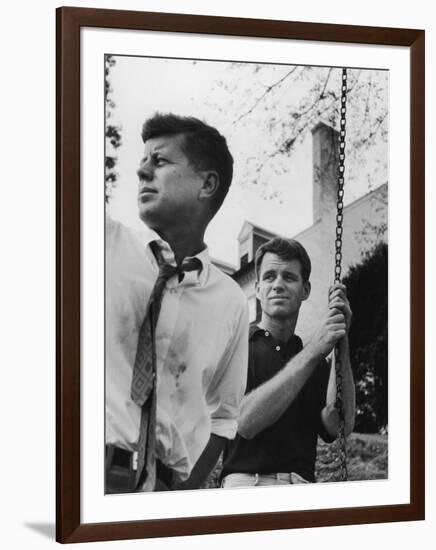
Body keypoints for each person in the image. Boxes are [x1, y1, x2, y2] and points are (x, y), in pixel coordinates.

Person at [105, 113, 249, 493]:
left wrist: (181, 498)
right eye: (142, 161)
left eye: (160, 160)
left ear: (207, 184)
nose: (142, 172)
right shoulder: (98, 245)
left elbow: (224, 418)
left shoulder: (231, 301)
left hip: (165, 494)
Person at [221, 237, 355, 487]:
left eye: (289, 277)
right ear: (258, 289)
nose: (278, 285)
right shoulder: (237, 345)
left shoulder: (314, 360)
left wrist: (341, 341)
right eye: (270, 277)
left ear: (305, 290)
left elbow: (339, 425)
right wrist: (316, 349)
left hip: (301, 490)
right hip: (247, 487)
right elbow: (245, 422)